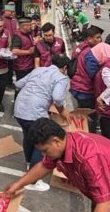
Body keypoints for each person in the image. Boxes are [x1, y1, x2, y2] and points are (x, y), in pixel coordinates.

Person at [13, 54, 72, 189]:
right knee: (42, 143)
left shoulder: (38, 70)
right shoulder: (61, 78)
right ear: (65, 67)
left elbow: (18, 84)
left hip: (19, 109)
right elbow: (57, 97)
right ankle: (33, 180)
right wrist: (62, 110)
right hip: (35, 112)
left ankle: (29, 163)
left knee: (29, 137)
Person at [69, 30, 109, 134]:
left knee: (82, 112)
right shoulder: (91, 52)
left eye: (100, 37)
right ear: (90, 38)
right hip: (85, 89)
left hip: (78, 86)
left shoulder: (81, 47)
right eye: (98, 37)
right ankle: (88, 137)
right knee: (90, 116)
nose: (100, 40)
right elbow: (93, 74)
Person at [11, 17, 37, 81]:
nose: (31, 26)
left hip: (29, 65)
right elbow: (14, 51)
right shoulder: (17, 36)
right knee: (21, 86)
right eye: (29, 25)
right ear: (24, 26)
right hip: (22, 67)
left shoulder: (28, 33)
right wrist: (28, 51)